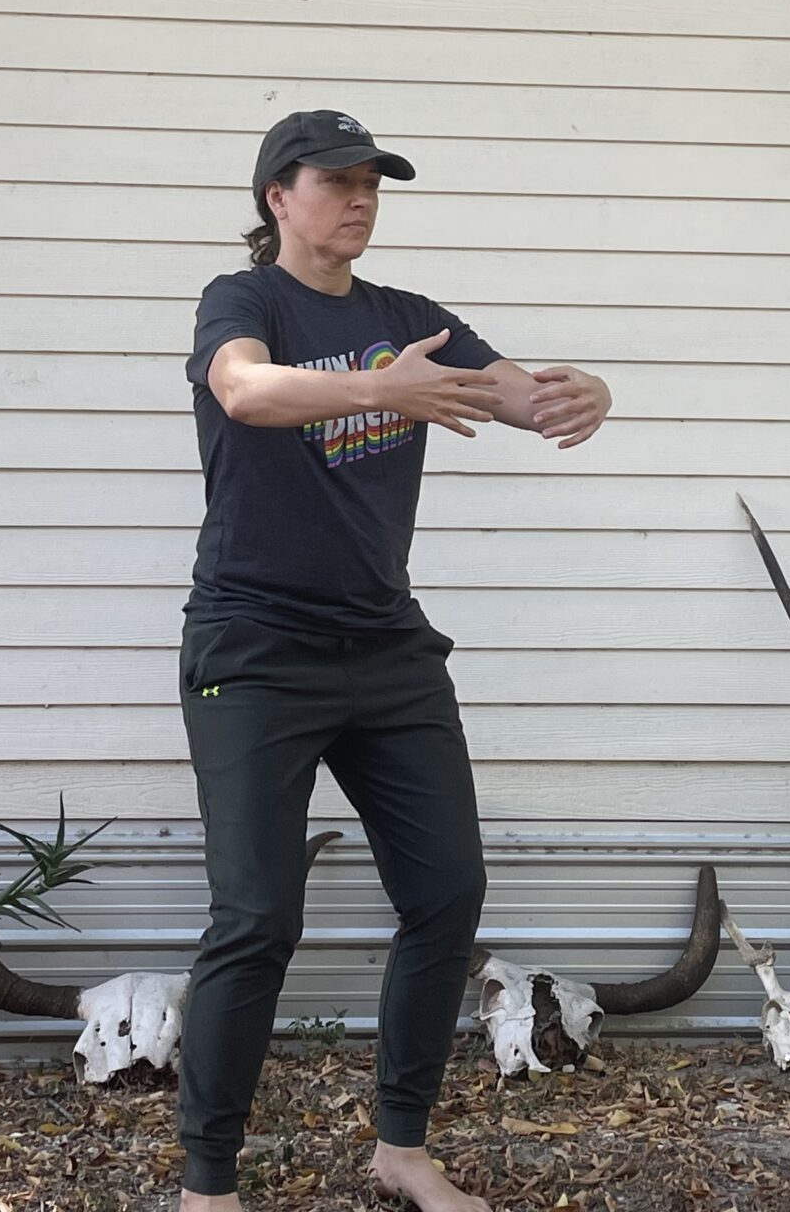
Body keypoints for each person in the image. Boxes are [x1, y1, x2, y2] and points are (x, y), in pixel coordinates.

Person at [178, 109, 614, 1212]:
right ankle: (208, 1184)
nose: (360, 200)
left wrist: (580, 395)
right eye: (337, 182)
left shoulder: (408, 319)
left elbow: (516, 391)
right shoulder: (246, 303)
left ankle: (402, 1149)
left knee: (445, 894)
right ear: (279, 196)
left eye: (374, 183)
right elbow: (244, 389)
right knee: (257, 918)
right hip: (255, 648)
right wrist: (380, 390)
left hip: (386, 651)